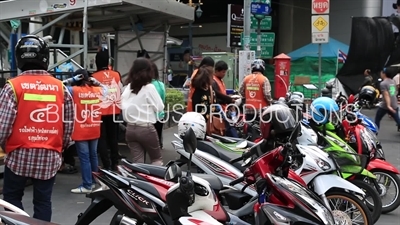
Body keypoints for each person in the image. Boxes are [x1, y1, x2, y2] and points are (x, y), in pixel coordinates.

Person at [0, 35, 74, 222]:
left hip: (18, 155)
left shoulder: (12, 87)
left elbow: (3, 127)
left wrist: (5, 147)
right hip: (49, 156)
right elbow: (68, 126)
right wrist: (60, 148)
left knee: (12, 199)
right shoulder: (61, 88)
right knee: (42, 201)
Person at [66, 69, 104, 193]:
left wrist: (71, 80)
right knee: (93, 156)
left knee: (84, 158)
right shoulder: (98, 90)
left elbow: (59, 87)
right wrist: (97, 82)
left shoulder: (74, 91)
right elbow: (108, 90)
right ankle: (95, 181)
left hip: (81, 129)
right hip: (94, 128)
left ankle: (87, 185)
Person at [121, 58, 164, 165]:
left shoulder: (128, 87)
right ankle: (155, 181)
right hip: (146, 129)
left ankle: (138, 180)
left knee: (138, 163)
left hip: (130, 129)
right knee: (156, 160)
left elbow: (121, 104)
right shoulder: (149, 88)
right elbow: (159, 107)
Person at [92, 49, 123, 170]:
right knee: (113, 138)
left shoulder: (93, 77)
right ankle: (115, 163)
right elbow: (120, 89)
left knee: (102, 139)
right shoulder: (116, 74)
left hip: (100, 112)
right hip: (115, 110)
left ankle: (106, 165)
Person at [212, 60, 241, 137]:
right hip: (219, 109)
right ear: (217, 70)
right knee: (229, 128)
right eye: (223, 72)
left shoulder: (220, 80)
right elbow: (217, 95)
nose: (224, 74)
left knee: (229, 127)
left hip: (224, 108)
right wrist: (229, 100)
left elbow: (223, 93)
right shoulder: (213, 81)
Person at [150, 62, 166, 149]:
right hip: (159, 115)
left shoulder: (145, 85)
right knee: (158, 135)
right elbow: (163, 100)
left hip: (148, 116)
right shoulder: (161, 85)